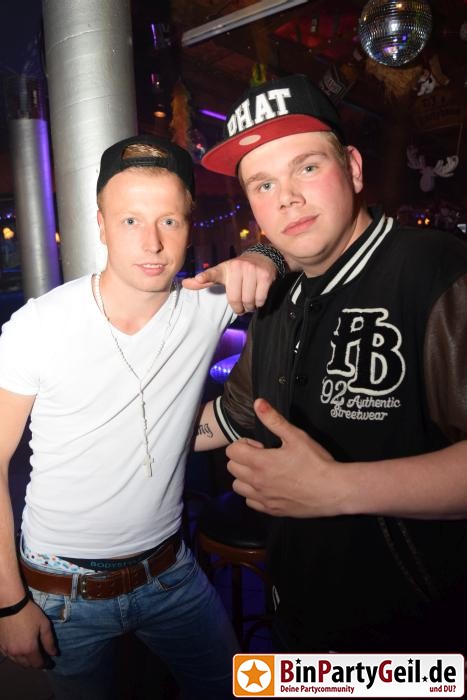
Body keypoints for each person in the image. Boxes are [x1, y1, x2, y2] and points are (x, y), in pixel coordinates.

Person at [0, 133, 284, 699]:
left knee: (239, 689)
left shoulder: (209, 304)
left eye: (168, 221)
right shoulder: (40, 326)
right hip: (63, 590)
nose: (152, 242)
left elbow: (295, 249)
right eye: (130, 220)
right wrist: (8, 604)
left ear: (189, 226)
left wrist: (261, 256)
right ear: (101, 225)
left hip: (171, 572)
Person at [195, 74, 467, 655]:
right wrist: (126, 431)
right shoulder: (276, 298)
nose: (286, 198)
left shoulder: (437, 272)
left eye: (308, 167)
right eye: (263, 184)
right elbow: (234, 417)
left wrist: (339, 488)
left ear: (354, 169)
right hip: (299, 621)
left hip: (419, 641)